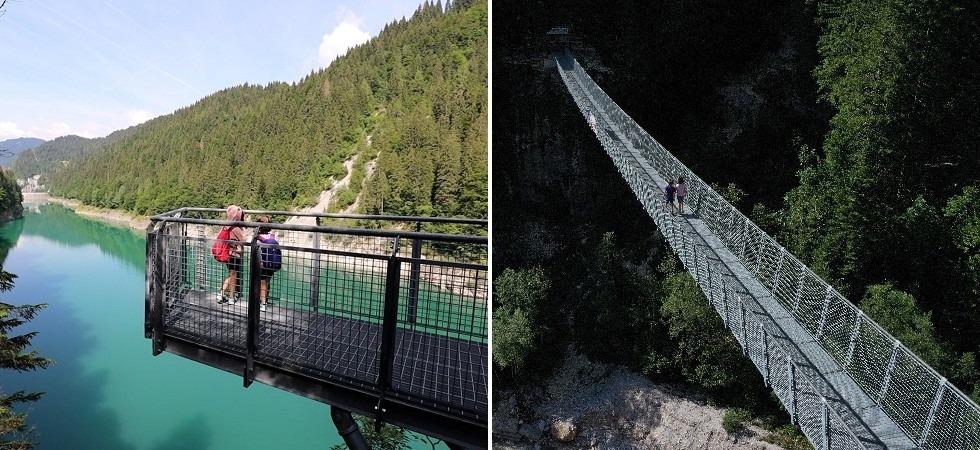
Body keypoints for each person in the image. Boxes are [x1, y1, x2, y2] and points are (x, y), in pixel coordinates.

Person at [218, 205, 245, 305]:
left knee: (231, 274)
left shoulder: (225, 225)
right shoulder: (236, 228)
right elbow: (244, 240)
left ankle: (221, 293)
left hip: (226, 253)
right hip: (234, 254)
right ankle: (231, 297)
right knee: (233, 275)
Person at [255, 216, 280, 312]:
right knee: (267, 281)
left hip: (261, 264)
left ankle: (262, 303)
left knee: (262, 282)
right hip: (271, 264)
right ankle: (265, 300)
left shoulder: (257, 237)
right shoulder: (273, 236)